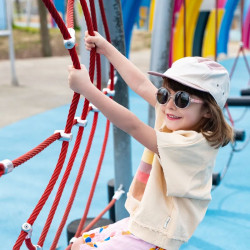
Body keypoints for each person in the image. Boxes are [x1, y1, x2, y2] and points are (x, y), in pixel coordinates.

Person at [68, 31, 234, 250]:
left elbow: (133, 125)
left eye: (183, 99)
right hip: (144, 220)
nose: (169, 105)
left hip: (157, 234)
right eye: (165, 94)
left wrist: (88, 90)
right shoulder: (176, 114)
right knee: (79, 242)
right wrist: (107, 49)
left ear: (208, 111)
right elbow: (142, 85)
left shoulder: (190, 144)